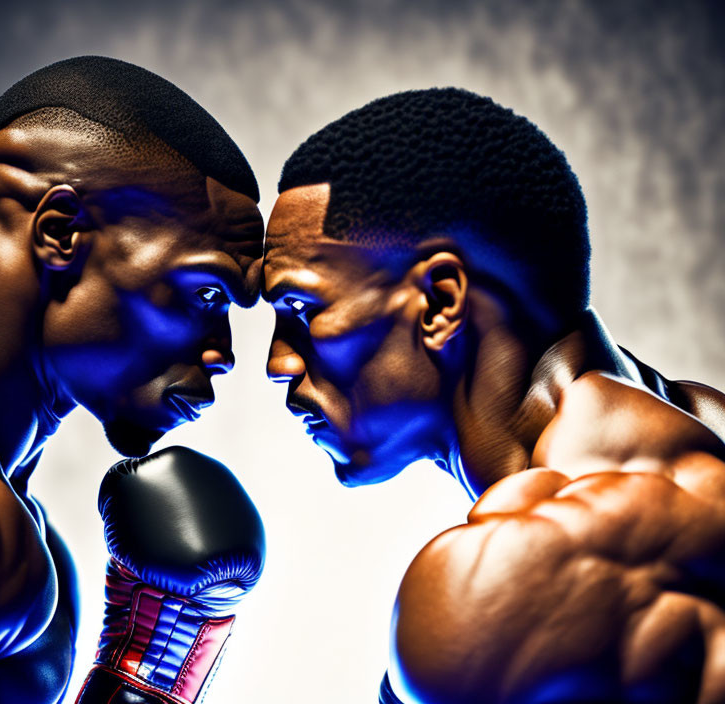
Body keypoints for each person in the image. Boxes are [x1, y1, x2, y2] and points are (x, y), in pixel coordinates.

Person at [263, 88, 725, 703]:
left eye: (301, 308)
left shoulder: (509, 581)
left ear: (438, 303)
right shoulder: (700, 429)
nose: (277, 364)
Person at [0, 56, 264, 703]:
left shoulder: (27, 531)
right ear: (61, 233)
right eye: (204, 293)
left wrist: (154, 666)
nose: (224, 353)